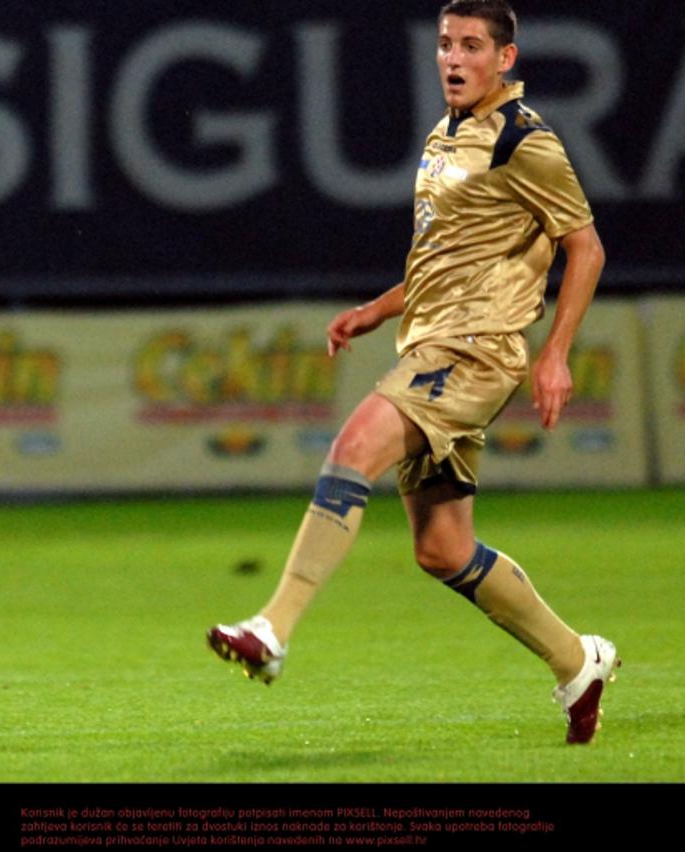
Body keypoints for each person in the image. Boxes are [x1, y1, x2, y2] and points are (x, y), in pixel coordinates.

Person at [207, 0, 617, 745]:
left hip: (475, 351)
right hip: (430, 342)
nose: (453, 58)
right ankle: (577, 658)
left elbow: (584, 247)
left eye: (470, 46)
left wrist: (554, 353)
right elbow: (446, 258)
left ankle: (272, 630)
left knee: (352, 448)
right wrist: (379, 309)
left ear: (506, 59)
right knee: (443, 548)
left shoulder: (526, 142)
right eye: (443, 44)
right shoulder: (446, 134)